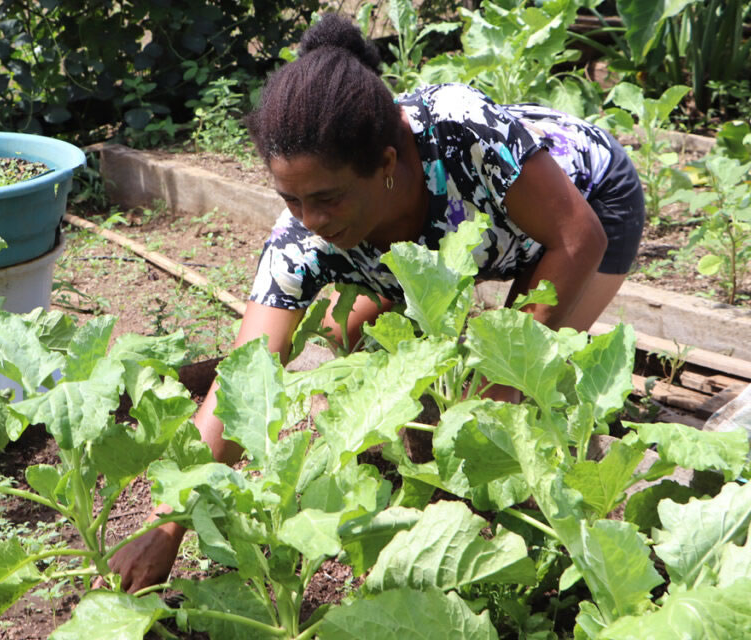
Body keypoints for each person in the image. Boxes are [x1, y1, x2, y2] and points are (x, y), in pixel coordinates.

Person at [105, 13, 645, 592]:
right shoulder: (303, 239)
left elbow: (576, 236)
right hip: (440, 245)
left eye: (326, 198)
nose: (311, 220)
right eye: (291, 199)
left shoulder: (461, 130)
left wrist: (501, 376)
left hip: (585, 207)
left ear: (387, 164)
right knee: (341, 342)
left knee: (513, 385)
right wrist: (166, 527)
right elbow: (243, 380)